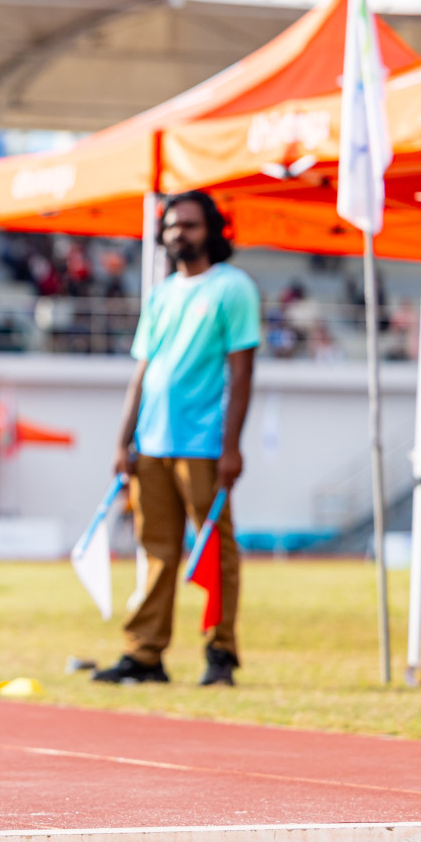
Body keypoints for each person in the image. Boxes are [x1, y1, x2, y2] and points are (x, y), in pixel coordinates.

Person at [96, 191, 259, 688]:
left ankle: (220, 652)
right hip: (151, 446)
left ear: (211, 229)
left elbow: (243, 373)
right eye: (170, 226)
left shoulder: (234, 288)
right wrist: (123, 442)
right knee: (156, 550)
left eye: (188, 225)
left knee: (213, 549)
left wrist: (231, 446)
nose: (177, 234)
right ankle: (144, 655)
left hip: (205, 445)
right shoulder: (162, 292)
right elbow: (141, 374)